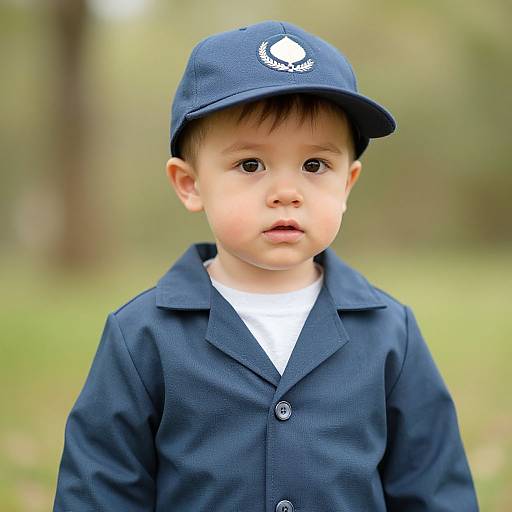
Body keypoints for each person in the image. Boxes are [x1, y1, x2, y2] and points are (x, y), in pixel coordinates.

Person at [52, 20, 479, 511]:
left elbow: (434, 490)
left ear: (348, 183)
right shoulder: (142, 336)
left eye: (315, 165)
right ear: (190, 184)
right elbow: (99, 492)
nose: (287, 192)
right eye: (250, 164)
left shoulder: (389, 333)